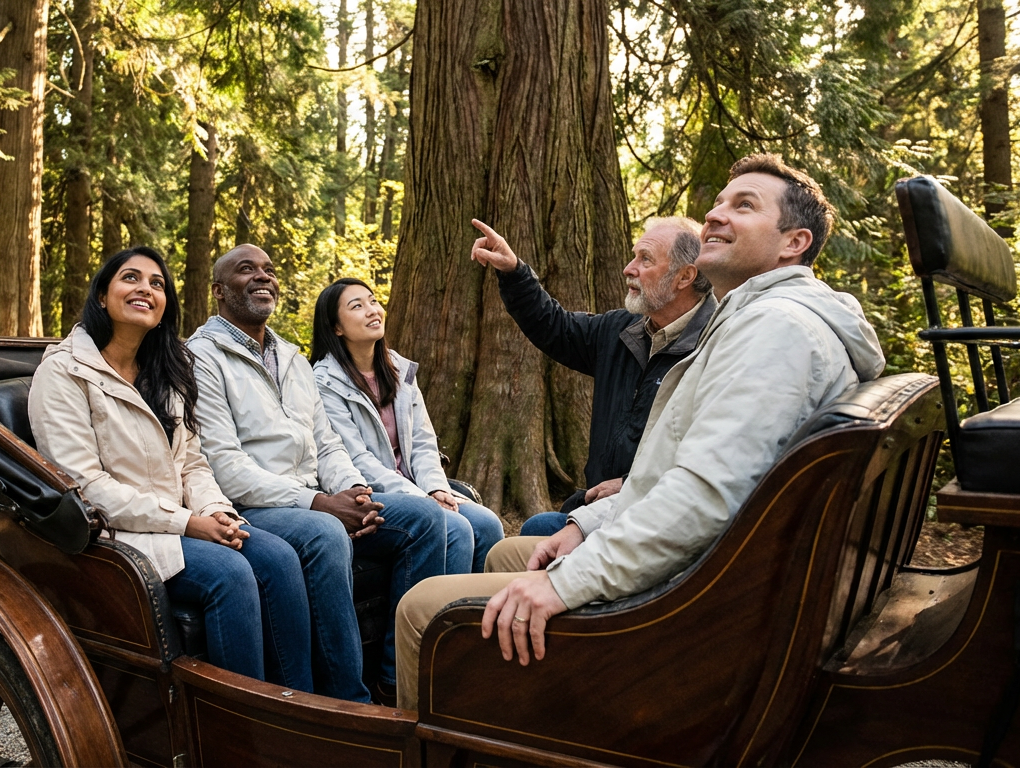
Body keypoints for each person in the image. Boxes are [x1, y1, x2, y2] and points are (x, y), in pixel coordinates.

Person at [394, 154, 887, 711]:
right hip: (711, 562)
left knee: (425, 608)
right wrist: (589, 522)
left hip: (696, 598)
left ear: (793, 242)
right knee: (512, 552)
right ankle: (504, 716)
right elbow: (688, 465)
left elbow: (702, 496)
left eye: (743, 205)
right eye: (720, 202)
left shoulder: (775, 332)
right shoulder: (730, 322)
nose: (716, 214)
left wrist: (563, 584)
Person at [28, 246, 315, 691]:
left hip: (180, 524)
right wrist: (188, 523)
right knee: (230, 573)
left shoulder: (165, 371)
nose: (145, 288)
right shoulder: (64, 373)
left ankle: (300, 709)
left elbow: (192, 463)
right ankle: (244, 732)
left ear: (164, 308)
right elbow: (85, 486)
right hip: (116, 536)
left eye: (157, 284)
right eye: (131, 278)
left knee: (278, 556)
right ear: (102, 296)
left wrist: (218, 510)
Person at [187, 244, 449, 705]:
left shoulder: (289, 356)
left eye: (268, 269)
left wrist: (355, 493)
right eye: (246, 270)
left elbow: (327, 443)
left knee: (424, 519)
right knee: (326, 532)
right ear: (219, 291)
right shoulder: (202, 356)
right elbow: (225, 465)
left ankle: (399, 681)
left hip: (317, 497)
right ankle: (346, 701)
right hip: (255, 507)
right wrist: (321, 504)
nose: (262, 277)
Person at [468, 216, 717, 536]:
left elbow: (712, 458)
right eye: (634, 255)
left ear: (685, 276)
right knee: (538, 529)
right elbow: (555, 327)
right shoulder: (621, 330)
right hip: (596, 509)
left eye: (645, 259)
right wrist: (514, 271)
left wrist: (630, 485)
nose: (629, 268)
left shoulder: (716, 348)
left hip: (659, 517)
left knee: (539, 530)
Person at [310, 278, 505, 574]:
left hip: (418, 488)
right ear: (336, 327)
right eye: (357, 306)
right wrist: (421, 498)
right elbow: (356, 459)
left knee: (487, 524)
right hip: (373, 493)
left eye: (373, 301)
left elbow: (424, 443)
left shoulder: (400, 370)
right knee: (456, 530)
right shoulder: (324, 382)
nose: (372, 310)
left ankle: (474, 617)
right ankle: (430, 618)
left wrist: (437, 488)